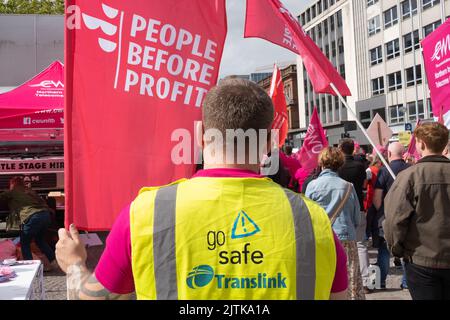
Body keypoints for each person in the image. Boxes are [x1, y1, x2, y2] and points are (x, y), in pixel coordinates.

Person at [55, 78, 348, 300]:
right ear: (271, 141)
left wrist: (74, 264)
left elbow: (93, 297)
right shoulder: (314, 221)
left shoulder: (146, 213)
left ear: (199, 135)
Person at [384, 123, 450, 300]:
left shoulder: (409, 177)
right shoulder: (409, 176)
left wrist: (397, 249)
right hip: (423, 259)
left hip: (421, 260)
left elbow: (393, 220)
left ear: (420, 144)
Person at [305, 147, 364, 300]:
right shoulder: (348, 186)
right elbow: (356, 218)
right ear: (340, 164)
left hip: (322, 238)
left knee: (324, 278)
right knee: (349, 280)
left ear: (322, 163)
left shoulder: (312, 186)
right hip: (346, 237)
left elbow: (307, 216)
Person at [372, 142, 410, 290]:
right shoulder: (411, 169)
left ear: (388, 154)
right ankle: (406, 283)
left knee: (384, 250)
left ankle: (381, 282)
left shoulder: (384, 171)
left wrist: (382, 211)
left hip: (386, 216)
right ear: (403, 153)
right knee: (408, 250)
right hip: (408, 215)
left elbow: (377, 198)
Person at [0, 177, 57, 271]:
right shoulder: (30, 191)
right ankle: (54, 262)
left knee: (24, 243)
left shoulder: (13, 191)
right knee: (40, 240)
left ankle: (30, 268)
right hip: (46, 215)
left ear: (13, 184)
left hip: (33, 217)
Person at [338, 139, 370, 293]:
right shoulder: (359, 166)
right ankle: (364, 280)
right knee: (361, 244)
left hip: (340, 209)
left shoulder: (338, 167)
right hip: (358, 207)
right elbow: (364, 185)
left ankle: (343, 281)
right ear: (353, 150)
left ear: (340, 149)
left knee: (340, 246)